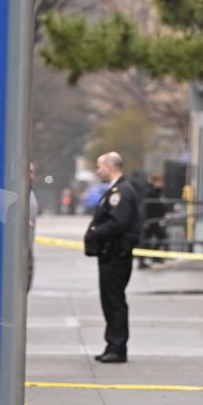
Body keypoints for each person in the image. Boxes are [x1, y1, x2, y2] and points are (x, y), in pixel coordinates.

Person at [83, 152, 142, 363]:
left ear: (109, 166)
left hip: (116, 255)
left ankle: (117, 347)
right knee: (109, 300)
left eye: (100, 166)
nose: (98, 171)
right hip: (110, 254)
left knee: (114, 301)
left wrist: (94, 233)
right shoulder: (117, 190)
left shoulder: (121, 192)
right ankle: (112, 344)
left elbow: (118, 223)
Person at [139, 174, 169, 269]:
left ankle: (152, 257)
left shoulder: (156, 191)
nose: (162, 184)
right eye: (160, 182)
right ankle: (143, 261)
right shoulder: (149, 191)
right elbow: (146, 207)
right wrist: (146, 221)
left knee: (159, 237)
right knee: (147, 240)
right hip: (150, 220)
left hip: (154, 219)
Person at [28, 162, 39, 292]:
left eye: (32, 172)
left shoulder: (30, 191)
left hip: (28, 247)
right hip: (19, 249)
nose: (31, 175)